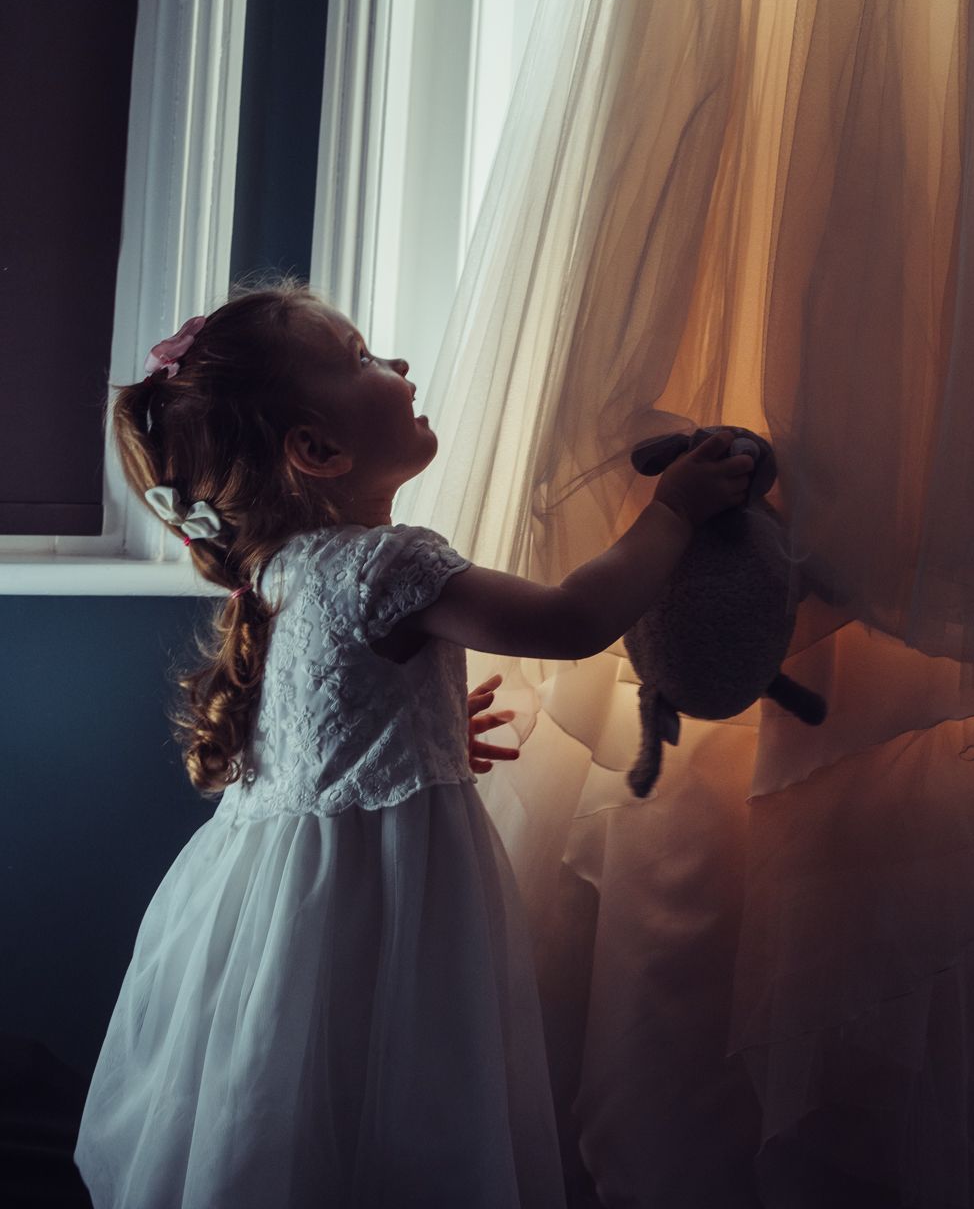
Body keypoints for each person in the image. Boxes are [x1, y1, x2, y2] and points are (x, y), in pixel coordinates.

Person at [74, 278, 755, 1209]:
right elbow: (571, 621)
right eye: (358, 359)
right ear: (316, 449)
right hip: (383, 898)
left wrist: (411, 734)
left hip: (280, 910)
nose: (395, 365)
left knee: (303, 1098)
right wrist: (672, 511)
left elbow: (317, 727)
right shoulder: (390, 562)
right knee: (402, 1090)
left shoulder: (275, 572)